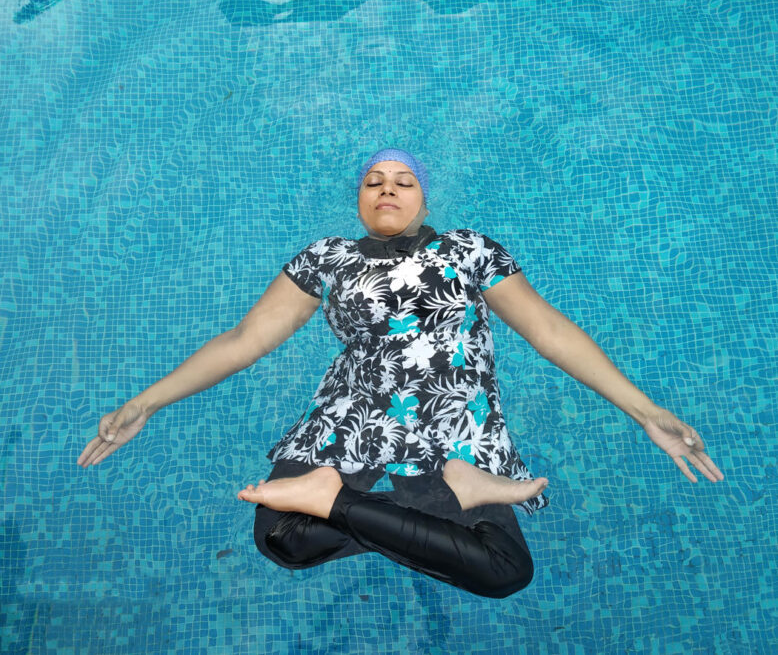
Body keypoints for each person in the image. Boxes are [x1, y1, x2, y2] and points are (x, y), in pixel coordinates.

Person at [78, 148, 724, 599]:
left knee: (504, 571)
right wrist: (147, 402)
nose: (387, 187)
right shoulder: (326, 258)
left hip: (454, 431)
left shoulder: (468, 250)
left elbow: (549, 331)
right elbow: (245, 340)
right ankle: (436, 497)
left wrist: (648, 412)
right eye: (373, 180)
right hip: (347, 428)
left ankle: (407, 491)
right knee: (281, 540)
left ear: (423, 197)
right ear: (359, 199)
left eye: (403, 180)